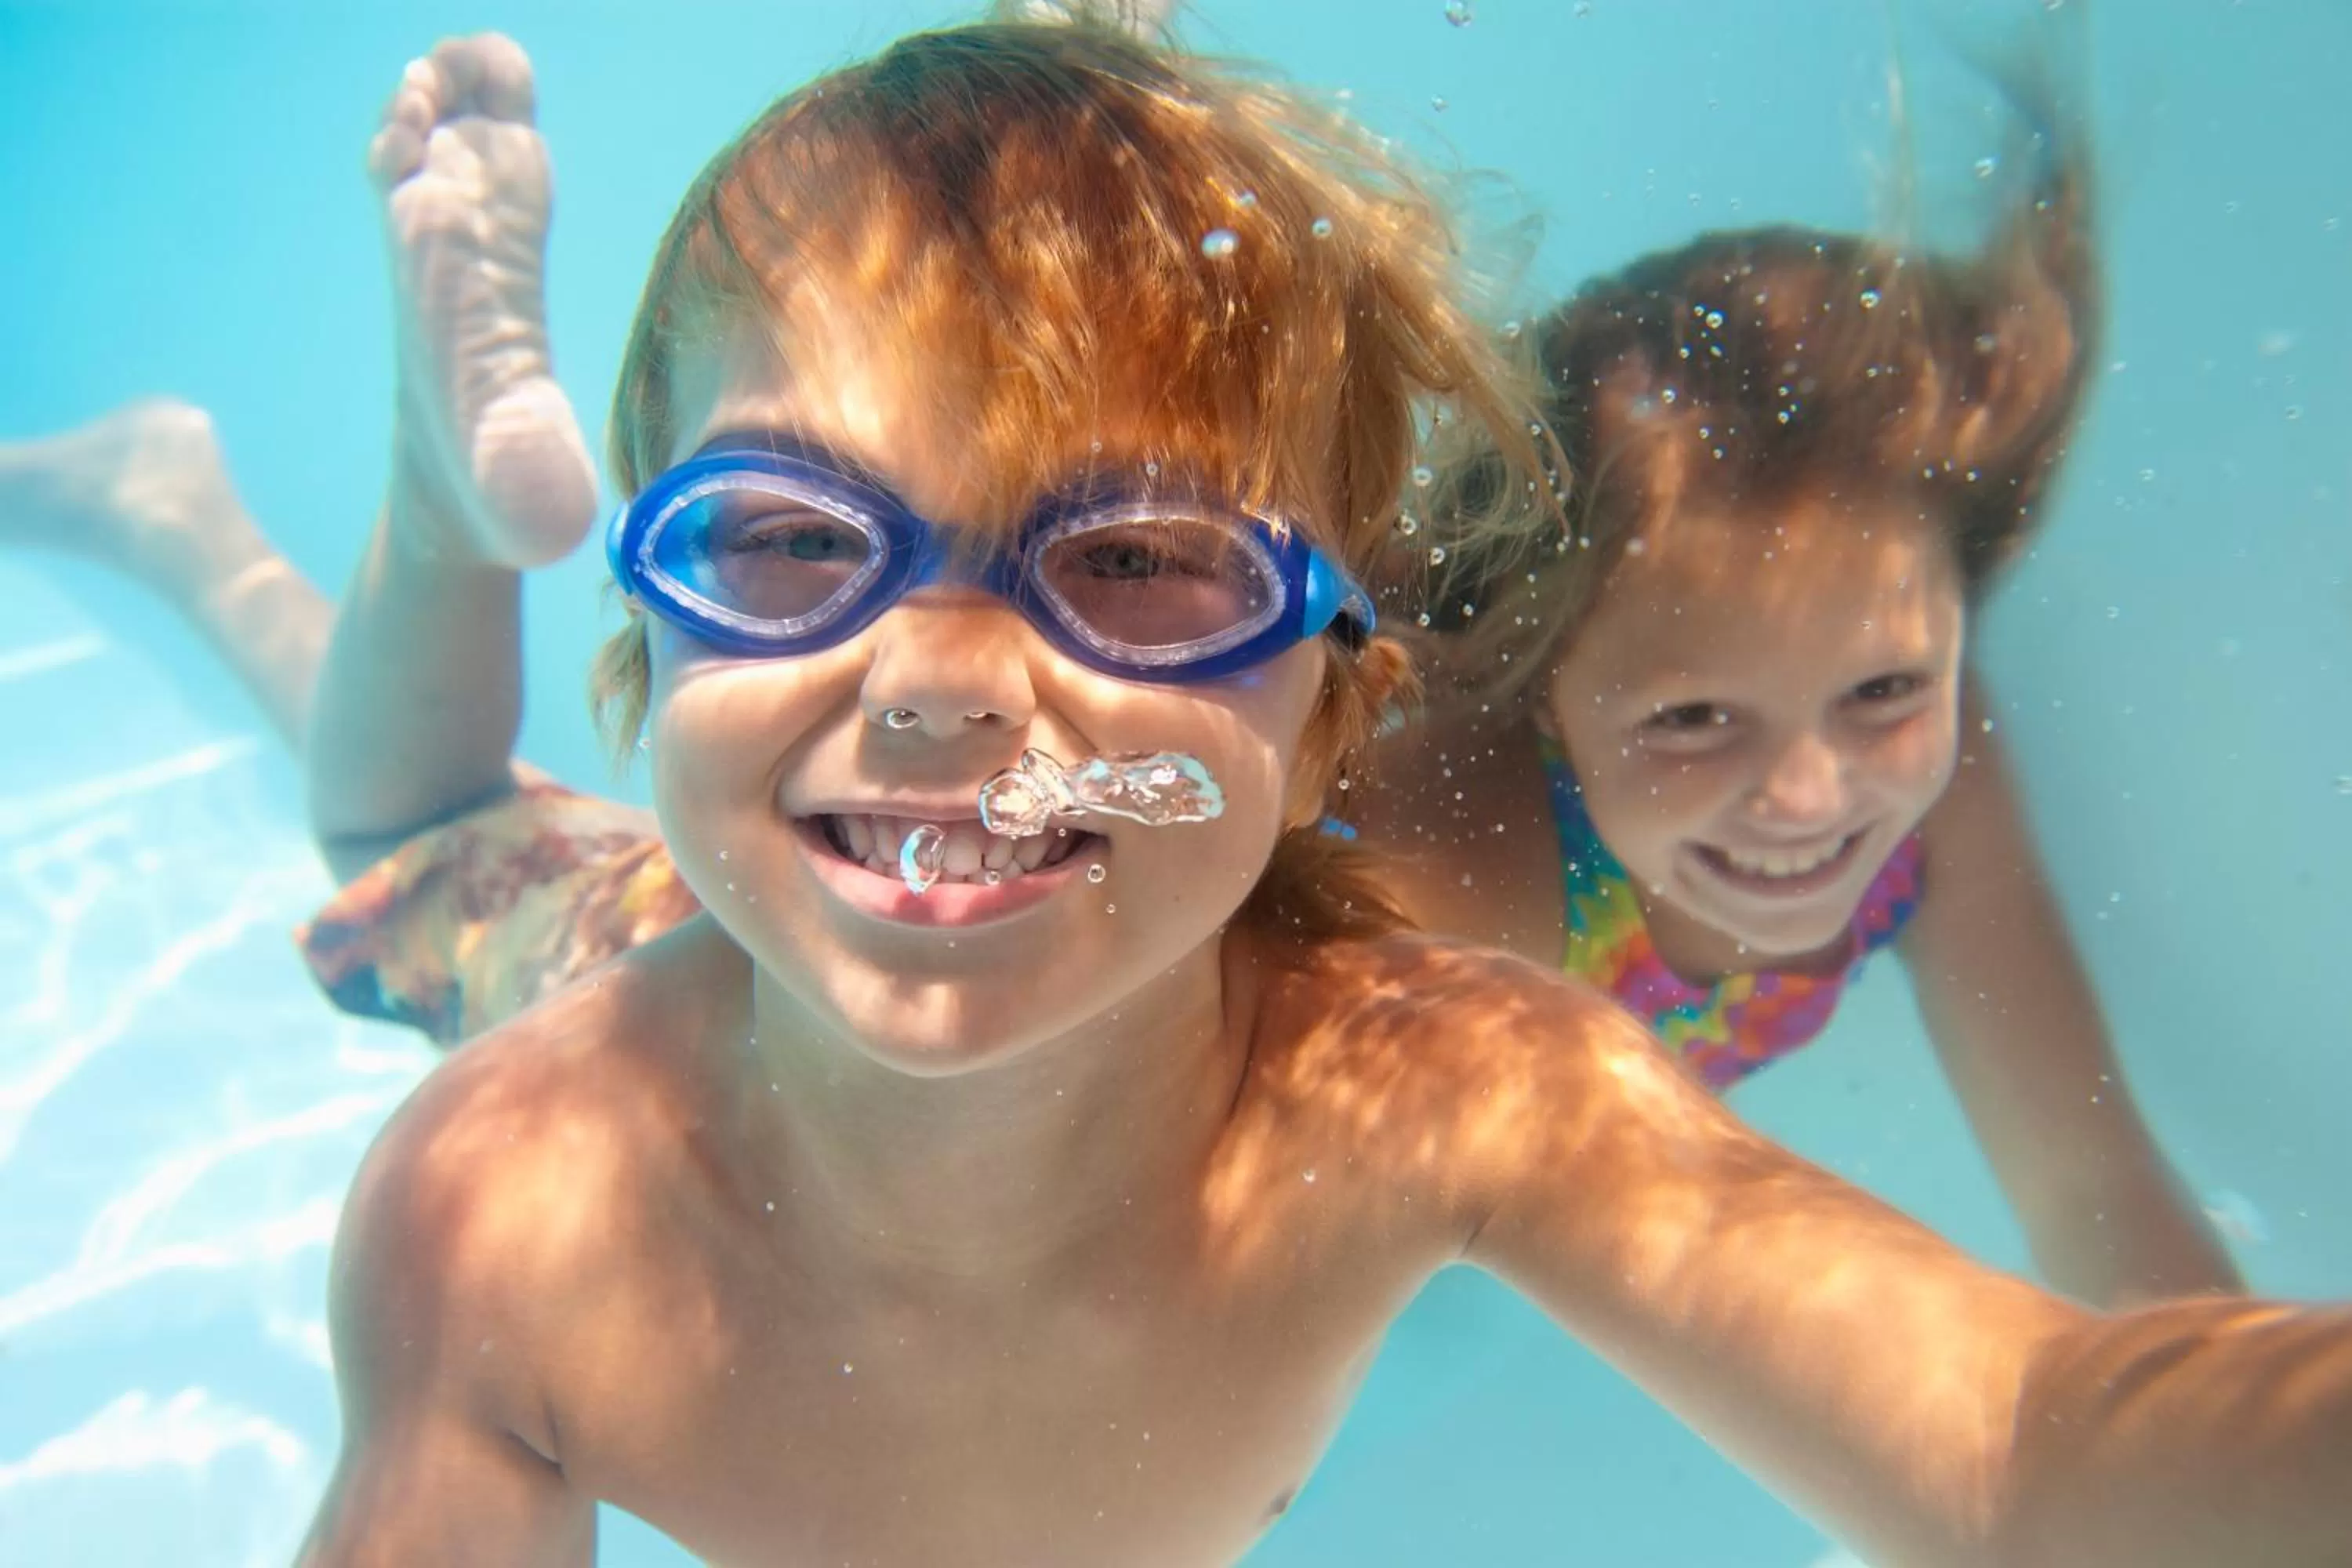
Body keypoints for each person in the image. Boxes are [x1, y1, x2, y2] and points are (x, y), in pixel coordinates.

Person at [245, 15, 2352, 1565]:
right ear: (655, 640)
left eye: (1147, 564)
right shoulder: (508, 1218)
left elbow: (2018, 1435)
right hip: (616, 935)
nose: (951, 684)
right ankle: (446, 501)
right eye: (790, 539)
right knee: (407, 834)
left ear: (1341, 706)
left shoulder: (1432, 1082)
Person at [1357, 82, 2242, 1307]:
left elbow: (2086, 1184)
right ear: (1548, 685)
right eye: (1692, 717)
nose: (1810, 794)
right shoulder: (1465, 858)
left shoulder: (1937, 771)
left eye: (1882, 685)